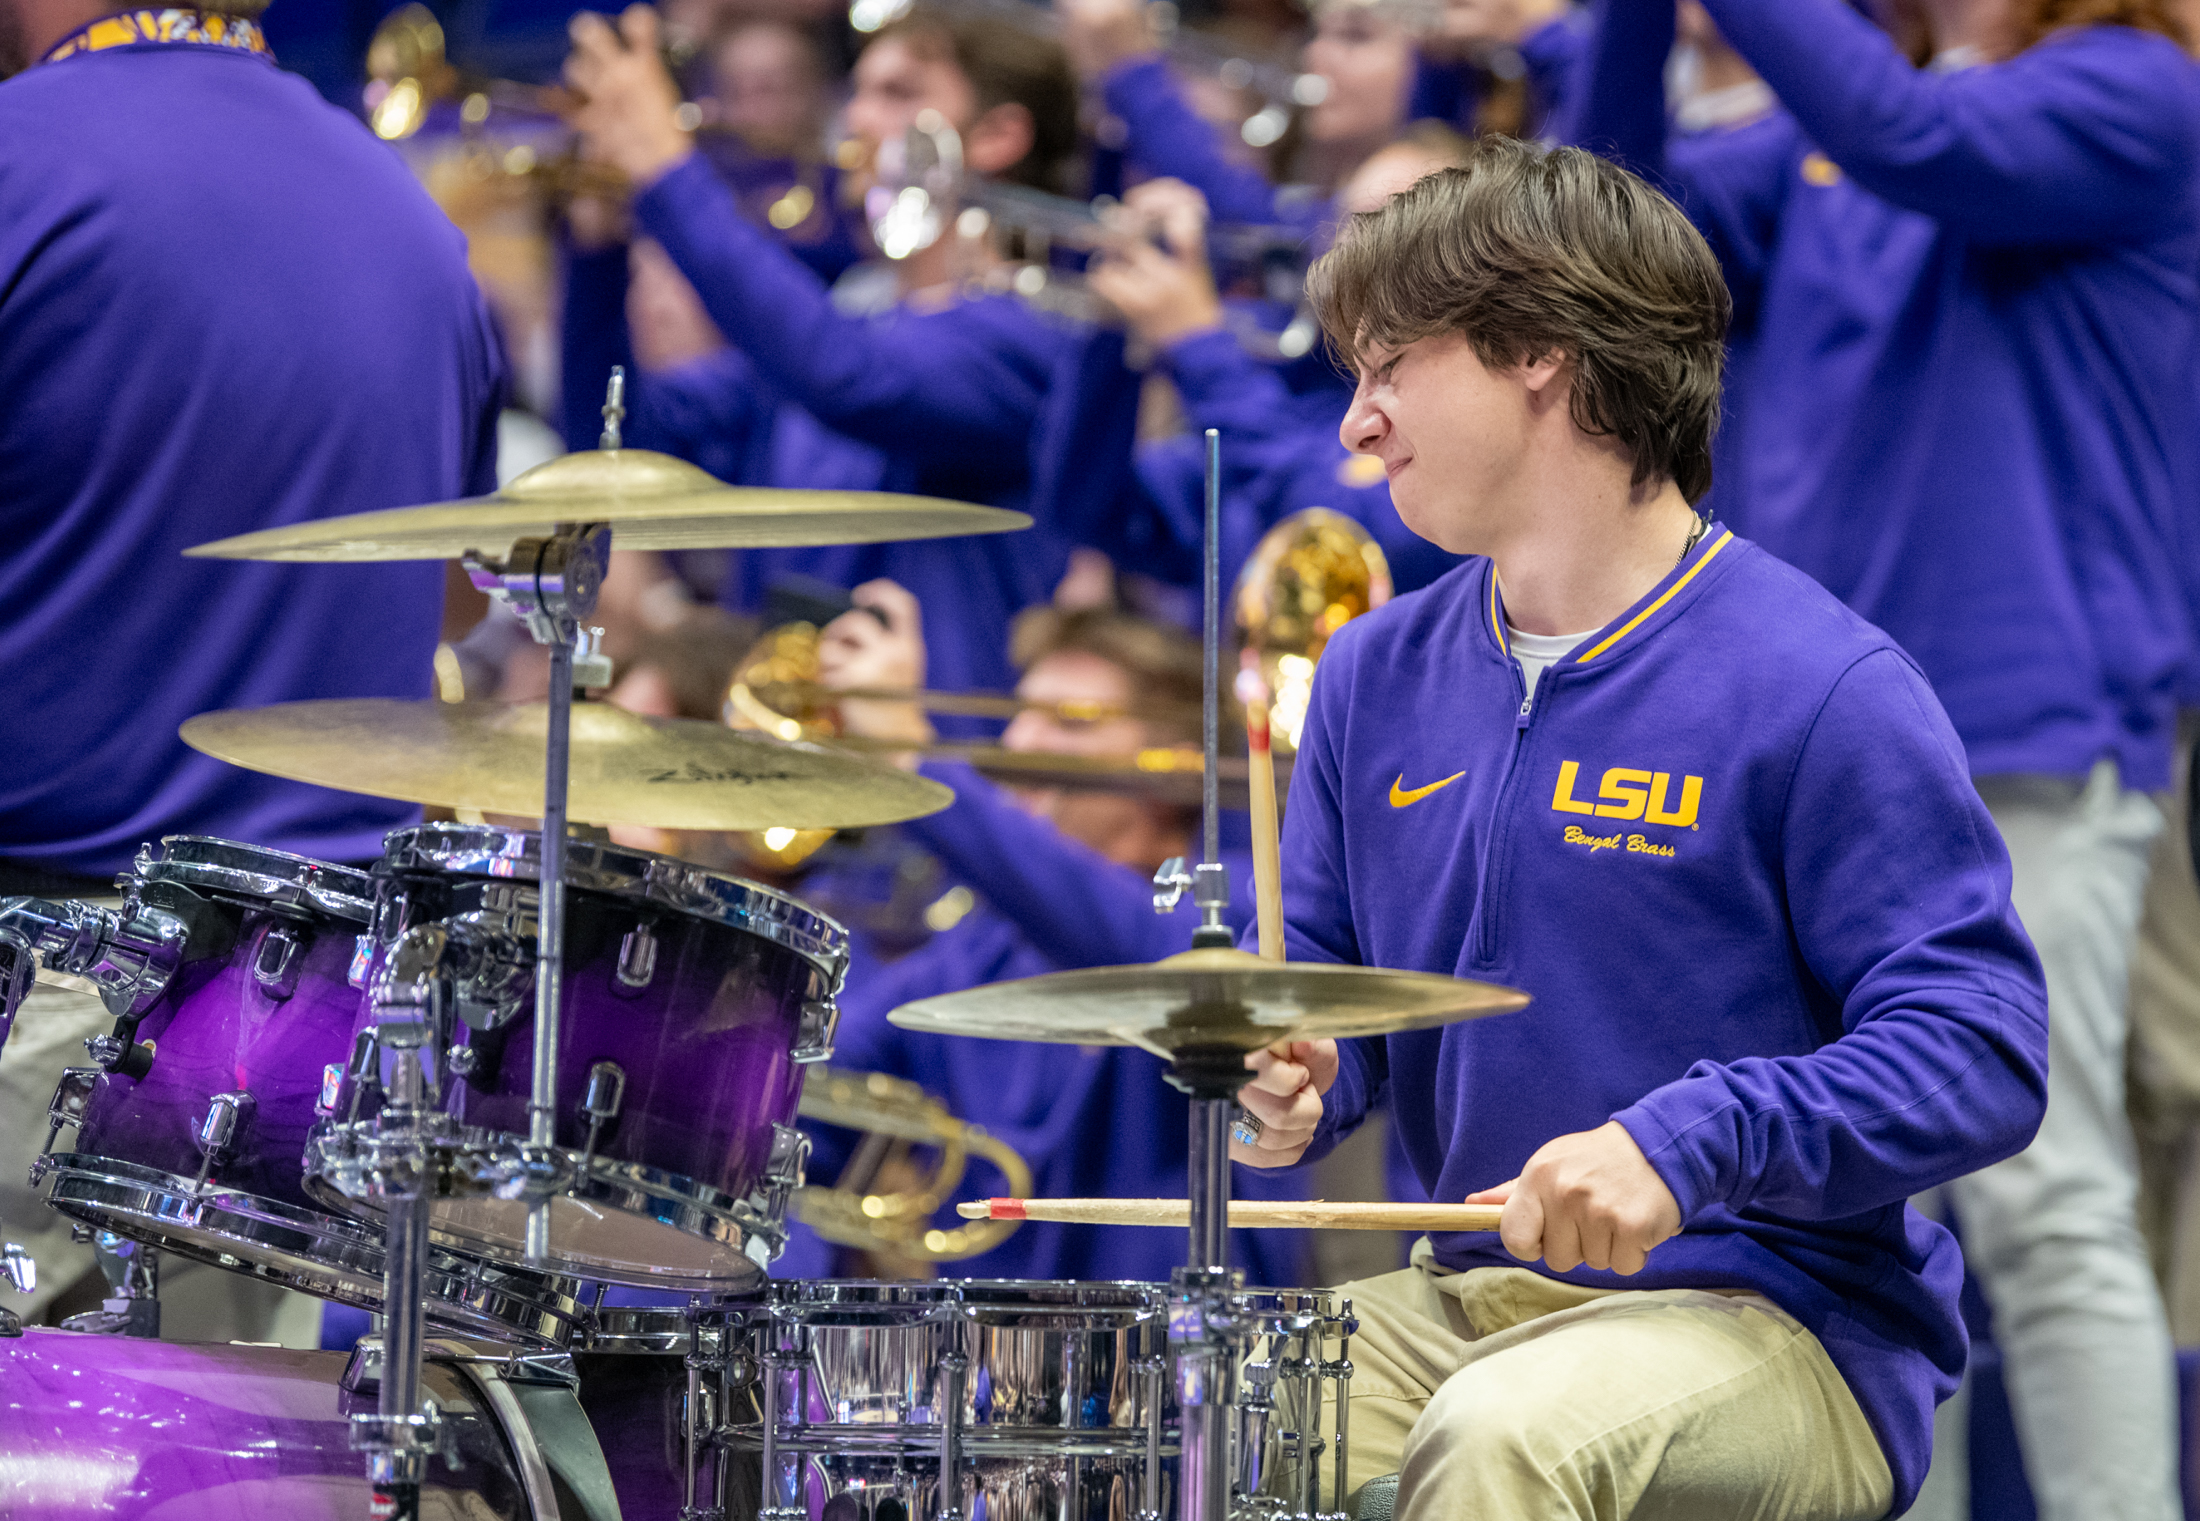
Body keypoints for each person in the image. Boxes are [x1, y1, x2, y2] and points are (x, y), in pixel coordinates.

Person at [1230, 138, 2049, 1518]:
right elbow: (1334, 986)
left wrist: (1690, 1141)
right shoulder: (1371, 672)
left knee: (1504, 1435)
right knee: (1195, 1398)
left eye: (1389, 368)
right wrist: (1295, 1072)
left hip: (1779, 1323)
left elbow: (1980, 1051)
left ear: (1538, 351)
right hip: (1472, 1294)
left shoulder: (1822, 684)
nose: (1353, 425)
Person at [1566, 2, 2199, 1515]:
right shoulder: (1820, 139)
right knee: (1863, 1211)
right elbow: (1604, 226)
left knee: (2042, 1198)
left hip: (2029, 725)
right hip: (1822, 744)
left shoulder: (2138, 87)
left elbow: (1909, 138)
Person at [0, 0, 503, 1333]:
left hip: (37, 996)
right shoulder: (413, 229)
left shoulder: (18, 162)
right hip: (292, 1042)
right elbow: (453, 603)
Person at [562, 3, 1132, 703]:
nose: (856, 119)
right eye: (857, 91)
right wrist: (597, 250)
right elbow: (617, 446)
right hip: (785, 757)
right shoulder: (849, 321)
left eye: (898, 94)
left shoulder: (1039, 335)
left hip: (939, 765)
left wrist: (665, 169)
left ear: (996, 135)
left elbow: (851, 379)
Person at [798, 580, 1310, 1287]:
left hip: (1192, 1361)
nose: (1023, 744)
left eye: (1069, 722)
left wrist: (913, 763)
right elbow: (817, 1086)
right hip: (982, 1368)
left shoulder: (1231, 901)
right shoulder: (987, 940)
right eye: (1020, 716)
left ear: (1174, 767)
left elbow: (1149, 953)